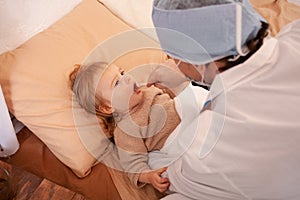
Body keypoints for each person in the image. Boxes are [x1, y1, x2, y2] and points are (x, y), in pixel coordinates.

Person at [147, 0, 300, 199]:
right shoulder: (294, 35)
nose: (170, 59)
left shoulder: (209, 147)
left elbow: (170, 180)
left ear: (197, 61)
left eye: (173, 55)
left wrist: (187, 89)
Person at [69, 60, 209, 193]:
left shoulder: (148, 89)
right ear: (108, 107)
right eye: (117, 83)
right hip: (179, 139)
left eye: (122, 73)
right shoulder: (125, 130)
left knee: (195, 95)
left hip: (192, 114)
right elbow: (133, 164)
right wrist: (149, 176)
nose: (128, 78)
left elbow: (176, 95)